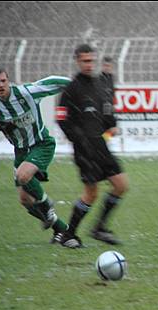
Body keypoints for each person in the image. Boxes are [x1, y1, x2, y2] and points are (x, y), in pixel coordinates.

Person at [0, 66, 70, 242]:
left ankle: (46, 205)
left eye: (4, 81)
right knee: (25, 200)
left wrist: (77, 84)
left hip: (41, 144)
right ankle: (62, 229)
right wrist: (1, 126)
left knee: (23, 176)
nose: (1, 85)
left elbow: (51, 81)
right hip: (20, 151)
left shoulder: (25, 93)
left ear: (9, 81)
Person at [57, 44, 128, 248]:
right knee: (91, 193)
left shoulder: (99, 84)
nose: (89, 65)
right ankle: (69, 235)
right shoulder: (71, 89)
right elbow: (62, 119)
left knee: (121, 185)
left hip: (101, 145)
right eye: (85, 61)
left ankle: (99, 228)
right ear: (77, 61)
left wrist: (112, 124)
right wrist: (79, 139)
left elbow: (106, 109)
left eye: (91, 61)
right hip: (85, 149)